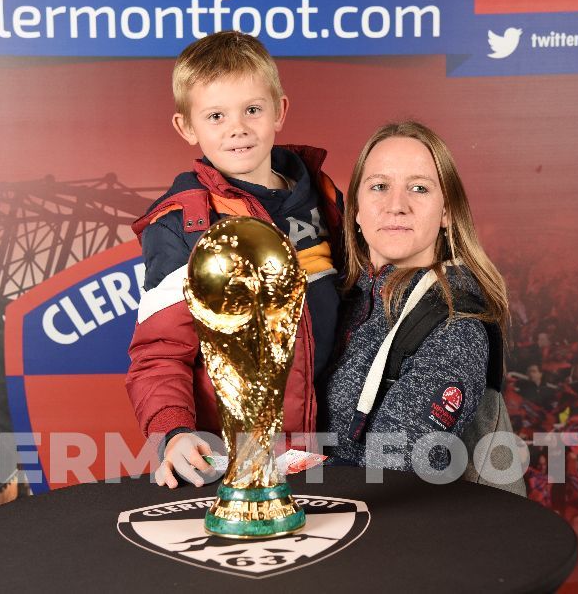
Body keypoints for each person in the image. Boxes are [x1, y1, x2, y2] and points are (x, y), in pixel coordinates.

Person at [126, 31, 345, 489]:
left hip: (324, 446)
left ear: (279, 111)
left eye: (252, 109)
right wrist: (174, 433)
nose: (237, 128)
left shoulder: (322, 197)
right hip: (227, 454)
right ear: (187, 127)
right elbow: (160, 351)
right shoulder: (182, 225)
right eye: (216, 115)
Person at [323, 121, 516, 485]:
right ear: (357, 212)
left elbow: (393, 469)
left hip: (382, 533)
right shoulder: (329, 299)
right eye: (379, 187)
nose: (397, 206)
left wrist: (277, 468)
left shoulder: (455, 324)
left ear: (446, 212)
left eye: (419, 188)